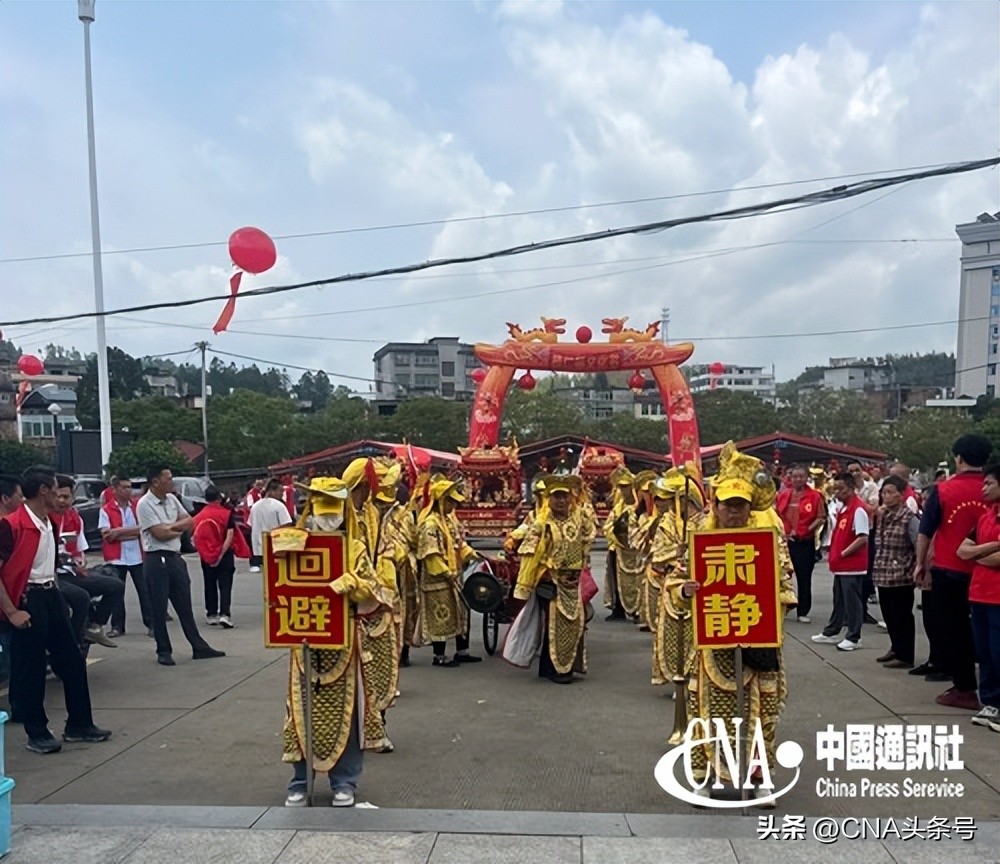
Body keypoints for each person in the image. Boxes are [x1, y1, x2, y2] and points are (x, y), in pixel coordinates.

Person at [683, 443, 795, 803]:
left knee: (762, 712)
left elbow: (786, 585)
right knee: (706, 710)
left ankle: (761, 778)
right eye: (727, 504)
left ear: (750, 507)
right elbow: (676, 580)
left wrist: (772, 600)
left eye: (740, 505)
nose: (733, 511)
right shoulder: (698, 537)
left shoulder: (769, 538)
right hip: (712, 642)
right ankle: (705, 776)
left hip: (756, 638)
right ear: (715, 505)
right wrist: (685, 590)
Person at [283, 471, 396, 807]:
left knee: (349, 714)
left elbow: (376, 591)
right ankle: (300, 781)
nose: (328, 515)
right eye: (322, 506)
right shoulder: (294, 543)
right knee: (300, 712)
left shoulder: (355, 548)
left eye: (334, 507)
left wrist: (353, 584)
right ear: (311, 507)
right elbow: (278, 585)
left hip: (344, 643)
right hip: (305, 641)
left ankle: (344, 781)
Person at [0, 466, 111, 753]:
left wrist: (59, 599)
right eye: (56, 490)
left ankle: (79, 724)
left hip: (50, 594)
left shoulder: (49, 522)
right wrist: (12, 611)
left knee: (72, 661)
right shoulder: (11, 525)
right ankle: (36, 732)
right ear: (43, 491)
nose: (62, 498)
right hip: (27, 599)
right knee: (32, 668)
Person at [915, 434, 993, 711]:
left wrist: (920, 563)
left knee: (953, 629)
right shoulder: (991, 488)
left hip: (950, 569)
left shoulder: (943, 490)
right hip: (988, 572)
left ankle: (964, 688)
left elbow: (926, 530)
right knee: (988, 631)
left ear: (958, 458)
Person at [137, 464, 225, 666]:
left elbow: (189, 522)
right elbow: (159, 534)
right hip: (156, 558)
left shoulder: (172, 500)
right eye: (168, 478)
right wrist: (175, 528)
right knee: (159, 608)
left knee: (185, 605)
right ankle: (163, 650)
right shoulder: (145, 504)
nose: (171, 482)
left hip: (175, 556)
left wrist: (171, 527)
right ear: (155, 481)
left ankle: (198, 646)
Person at [513, 474, 595, 684]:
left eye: (564, 496)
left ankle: (564, 665)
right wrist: (546, 573)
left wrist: (581, 562)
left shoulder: (579, 518)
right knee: (554, 627)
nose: (561, 501)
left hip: (573, 582)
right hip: (552, 582)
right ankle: (554, 669)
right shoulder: (542, 523)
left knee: (574, 624)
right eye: (556, 496)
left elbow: (588, 537)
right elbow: (530, 551)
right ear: (548, 499)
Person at [52, 474, 123, 650]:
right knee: (81, 597)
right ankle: (75, 640)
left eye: (66, 497)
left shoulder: (75, 518)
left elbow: (80, 549)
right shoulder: (45, 518)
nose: (62, 501)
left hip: (72, 573)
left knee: (115, 585)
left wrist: (80, 564)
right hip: (53, 576)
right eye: (58, 496)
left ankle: (94, 626)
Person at [416, 476, 480, 667]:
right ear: (441, 501)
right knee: (441, 614)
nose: (453, 506)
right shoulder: (430, 524)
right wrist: (445, 572)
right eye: (450, 501)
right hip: (438, 579)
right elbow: (431, 554)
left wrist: (471, 554)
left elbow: (459, 543)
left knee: (461, 612)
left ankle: (462, 651)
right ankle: (439, 656)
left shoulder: (450, 521)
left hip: (454, 575)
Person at [652, 471, 705, 692]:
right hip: (673, 586)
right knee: (674, 635)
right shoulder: (667, 523)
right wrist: (676, 551)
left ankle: (697, 677)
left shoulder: (706, 522)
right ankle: (678, 678)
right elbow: (657, 556)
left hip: (700, 587)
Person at [957, 463, 1000, 733]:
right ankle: (990, 702)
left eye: (989, 483)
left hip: (997, 597)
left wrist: (978, 553)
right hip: (979, 594)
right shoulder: (986, 517)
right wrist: (992, 546)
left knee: (998, 652)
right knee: (984, 652)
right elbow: (962, 550)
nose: (983, 488)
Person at [812, 472, 870, 651]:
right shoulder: (843, 509)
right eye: (835, 489)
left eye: (841, 489)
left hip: (852, 565)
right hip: (841, 565)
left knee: (852, 602)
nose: (837, 493)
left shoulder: (858, 509)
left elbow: (862, 537)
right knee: (839, 601)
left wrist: (844, 553)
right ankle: (832, 631)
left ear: (851, 488)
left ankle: (854, 636)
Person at [871, 475, 920, 669]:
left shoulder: (909, 518)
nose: (886, 496)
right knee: (888, 614)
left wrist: (917, 566)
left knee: (902, 616)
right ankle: (895, 647)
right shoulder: (882, 516)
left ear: (901, 495)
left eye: (890, 492)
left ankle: (905, 654)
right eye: (884, 492)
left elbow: (918, 544)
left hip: (901, 574)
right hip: (883, 572)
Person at [99, 474, 152, 639]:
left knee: (145, 591)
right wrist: (132, 532)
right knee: (117, 592)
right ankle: (117, 626)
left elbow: (144, 529)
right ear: (114, 489)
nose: (128, 490)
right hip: (117, 557)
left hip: (138, 556)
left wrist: (118, 531)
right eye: (124, 487)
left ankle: (151, 624)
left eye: (129, 487)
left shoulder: (137, 507)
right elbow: (107, 535)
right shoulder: (106, 510)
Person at [776, 465, 825, 624]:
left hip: (804, 542)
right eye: (795, 476)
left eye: (801, 476)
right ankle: (782, 607)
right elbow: (777, 515)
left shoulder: (815, 496)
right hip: (785, 542)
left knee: (804, 578)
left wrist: (806, 530)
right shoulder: (784, 495)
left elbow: (820, 517)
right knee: (782, 577)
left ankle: (803, 610)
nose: (798, 479)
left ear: (806, 478)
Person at [192, 486, 239, 628]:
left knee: (209, 583)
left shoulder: (199, 516)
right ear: (219, 498)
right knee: (225, 584)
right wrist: (221, 554)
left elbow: (196, 537)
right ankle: (225, 614)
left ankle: (211, 614)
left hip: (206, 554)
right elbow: (230, 536)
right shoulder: (226, 513)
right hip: (224, 554)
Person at [602, 467, 642, 623]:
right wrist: (615, 535)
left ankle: (638, 609)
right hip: (618, 548)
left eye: (626, 486)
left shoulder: (639, 507)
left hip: (634, 550)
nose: (624, 490)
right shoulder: (619, 507)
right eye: (621, 487)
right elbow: (608, 525)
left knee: (636, 580)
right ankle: (617, 607)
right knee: (615, 578)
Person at [249, 479, 293, 574]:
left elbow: (250, 524)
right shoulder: (279, 505)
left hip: (259, 548)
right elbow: (287, 523)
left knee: (266, 575)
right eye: (280, 491)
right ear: (272, 491)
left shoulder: (255, 506)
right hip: (276, 545)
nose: (282, 494)